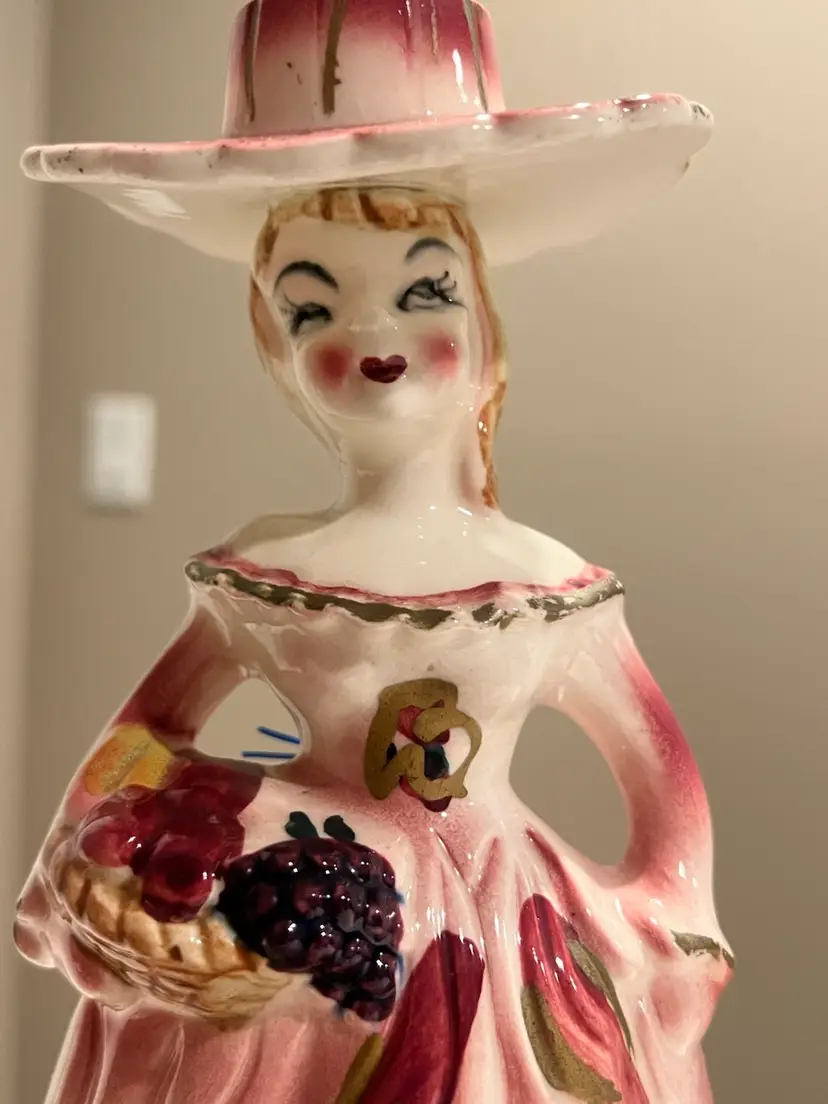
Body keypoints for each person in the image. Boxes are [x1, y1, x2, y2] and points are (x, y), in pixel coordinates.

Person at [16, 3, 729, 1101]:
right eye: (314, 309)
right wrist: (96, 848)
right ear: (273, 342)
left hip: (497, 938)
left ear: (480, 317)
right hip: (291, 941)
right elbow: (143, 738)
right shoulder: (265, 577)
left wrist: (668, 923)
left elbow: (663, 784)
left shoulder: (544, 585)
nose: (372, 335)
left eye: (422, 291)